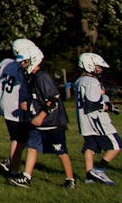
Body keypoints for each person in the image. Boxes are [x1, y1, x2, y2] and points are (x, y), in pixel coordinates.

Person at [9, 39, 74, 188]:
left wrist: (41, 116)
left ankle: (70, 179)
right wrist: (28, 105)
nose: (23, 65)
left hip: (52, 122)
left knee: (60, 151)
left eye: (25, 62)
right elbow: (37, 98)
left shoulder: (42, 77)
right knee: (32, 147)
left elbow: (53, 100)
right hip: (38, 124)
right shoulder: (32, 77)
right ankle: (27, 177)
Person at [75, 52, 122, 185]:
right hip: (96, 120)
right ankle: (99, 169)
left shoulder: (80, 81)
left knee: (90, 147)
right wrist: (108, 107)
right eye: (98, 66)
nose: (100, 69)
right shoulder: (91, 81)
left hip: (85, 120)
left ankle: (89, 176)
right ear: (89, 65)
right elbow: (92, 104)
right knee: (116, 145)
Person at [0, 41, 32, 175]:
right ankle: (13, 168)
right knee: (22, 139)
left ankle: (11, 163)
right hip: (17, 107)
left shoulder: (6, 64)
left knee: (18, 138)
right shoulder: (21, 68)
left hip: (6, 105)